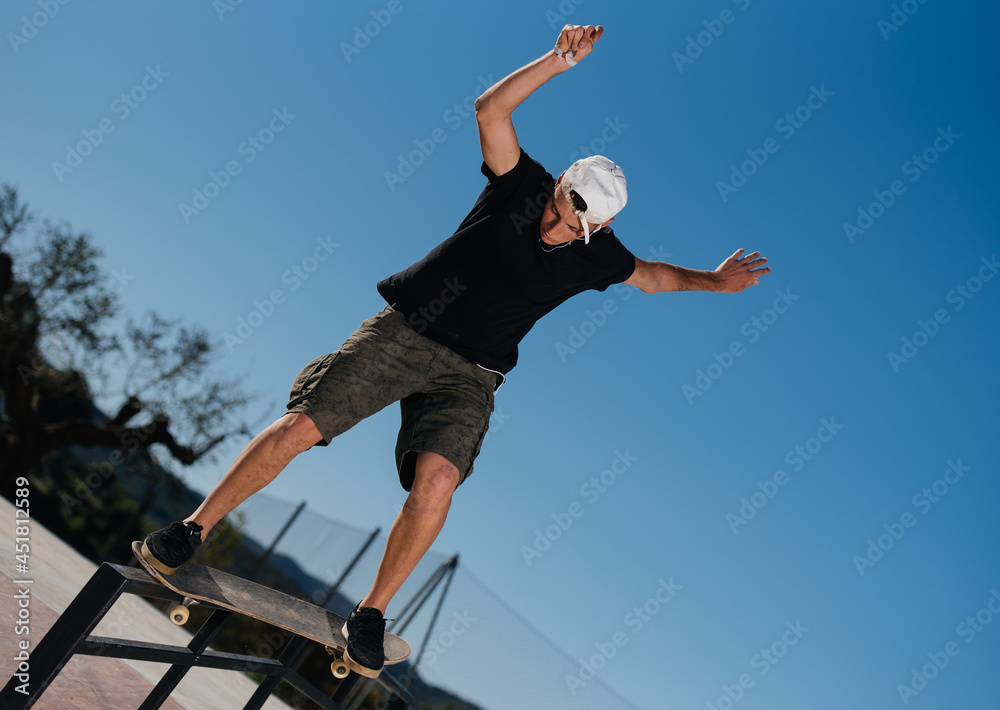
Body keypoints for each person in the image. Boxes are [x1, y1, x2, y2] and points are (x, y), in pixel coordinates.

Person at [137, 24, 770, 678]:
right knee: (302, 426)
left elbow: (656, 276)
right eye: (563, 204)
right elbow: (490, 111)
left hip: (473, 374)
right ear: (558, 186)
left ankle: (370, 614)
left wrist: (714, 280)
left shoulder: (597, 253)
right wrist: (556, 63)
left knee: (439, 481)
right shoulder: (520, 185)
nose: (559, 223)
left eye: (579, 220)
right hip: (407, 329)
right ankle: (192, 530)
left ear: (600, 225)